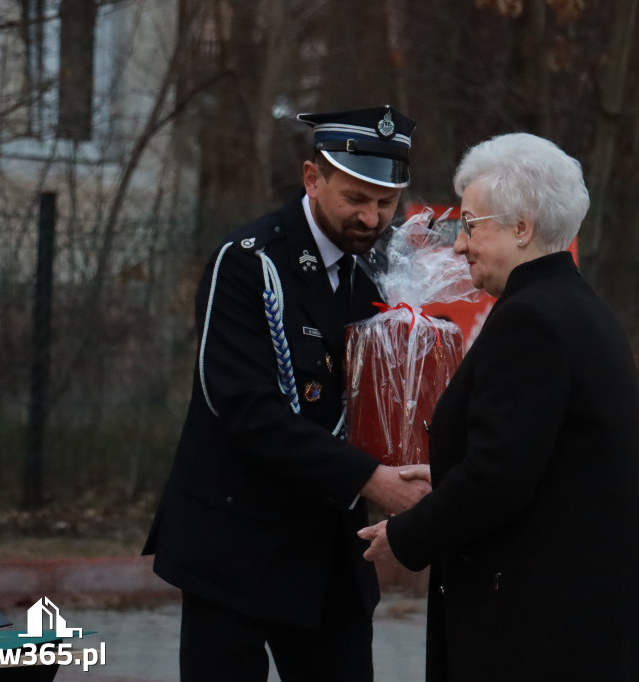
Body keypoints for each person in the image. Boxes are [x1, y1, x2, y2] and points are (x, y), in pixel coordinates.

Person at [359, 133, 639, 681]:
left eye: (471, 225)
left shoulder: (530, 321)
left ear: (522, 228)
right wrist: (445, 476)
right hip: (582, 611)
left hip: (541, 626)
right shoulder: (579, 309)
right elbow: (548, 458)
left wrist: (408, 535)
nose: (459, 245)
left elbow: (499, 476)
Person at [144, 106, 431, 682]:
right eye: (355, 198)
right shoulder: (251, 261)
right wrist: (371, 479)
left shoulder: (382, 273)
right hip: (236, 541)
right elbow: (245, 409)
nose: (371, 218)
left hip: (327, 549)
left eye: (386, 201)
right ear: (311, 179)